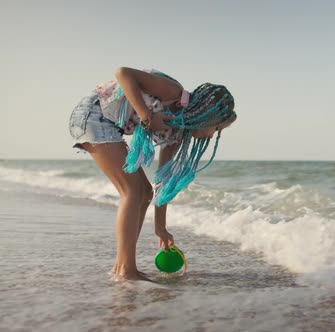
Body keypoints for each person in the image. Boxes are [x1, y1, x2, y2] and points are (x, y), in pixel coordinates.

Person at [68, 67, 237, 281]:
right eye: (216, 128)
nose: (212, 136)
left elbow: (162, 181)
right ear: (206, 114)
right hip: (93, 114)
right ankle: (126, 269)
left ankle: (122, 266)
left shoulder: (177, 133)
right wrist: (146, 116)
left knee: (145, 192)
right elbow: (123, 73)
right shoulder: (173, 93)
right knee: (132, 192)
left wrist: (161, 228)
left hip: (107, 123)